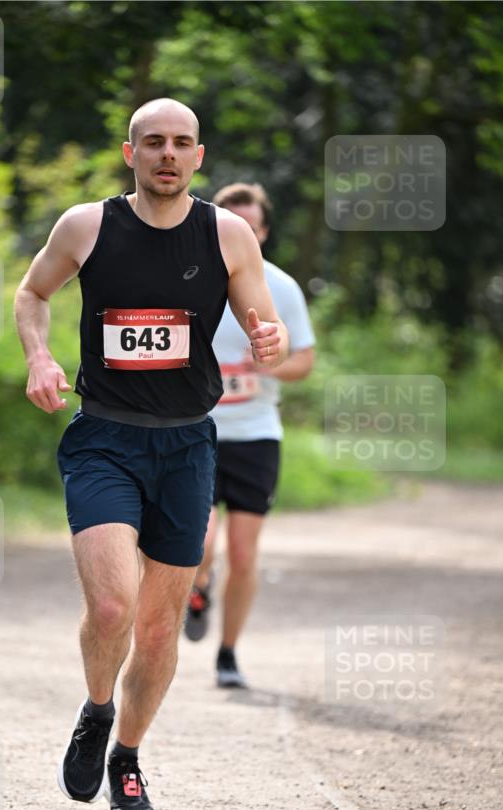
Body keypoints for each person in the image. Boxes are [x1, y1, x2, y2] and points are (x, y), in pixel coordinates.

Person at [14, 100, 288, 810]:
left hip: (186, 443)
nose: (167, 154)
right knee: (111, 607)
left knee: (161, 630)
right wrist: (39, 355)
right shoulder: (86, 226)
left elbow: (266, 322)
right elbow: (33, 292)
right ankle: (97, 709)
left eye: (181, 143)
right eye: (153, 143)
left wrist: (272, 338)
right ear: (129, 152)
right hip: (104, 435)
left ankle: (127, 758)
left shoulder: (226, 234)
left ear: (199, 156)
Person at [184, 182, 315, 689]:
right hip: (198, 429)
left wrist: (266, 366)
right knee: (200, 543)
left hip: (257, 435)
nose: (241, 232)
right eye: (230, 221)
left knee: (243, 552)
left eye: (250, 225)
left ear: (262, 230)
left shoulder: (281, 288)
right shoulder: (191, 278)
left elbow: (303, 360)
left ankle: (228, 653)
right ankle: (197, 587)